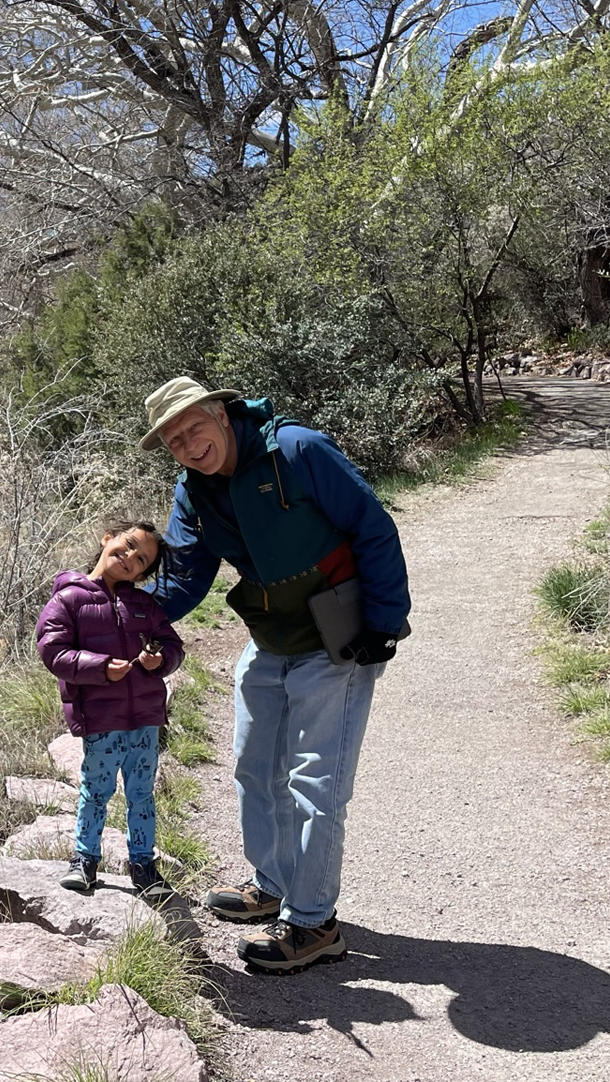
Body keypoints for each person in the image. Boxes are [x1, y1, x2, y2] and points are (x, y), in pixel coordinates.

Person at [140, 376, 411, 975]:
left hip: (337, 635)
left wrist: (385, 621)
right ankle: (275, 884)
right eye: (173, 439)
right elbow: (185, 578)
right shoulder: (194, 493)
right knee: (255, 763)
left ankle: (314, 922)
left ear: (219, 411)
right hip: (272, 633)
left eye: (193, 426)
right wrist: (118, 614)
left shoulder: (296, 450)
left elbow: (373, 526)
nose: (187, 443)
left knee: (317, 781)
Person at [34, 520, 186, 904]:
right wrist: (100, 667)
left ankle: (143, 866)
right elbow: (53, 651)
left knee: (142, 794)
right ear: (107, 539)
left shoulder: (144, 605)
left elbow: (173, 646)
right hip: (102, 719)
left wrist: (159, 660)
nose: (130, 557)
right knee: (96, 791)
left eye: (142, 560)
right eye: (128, 545)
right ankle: (84, 860)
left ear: (145, 573)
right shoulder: (68, 599)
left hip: (145, 720)